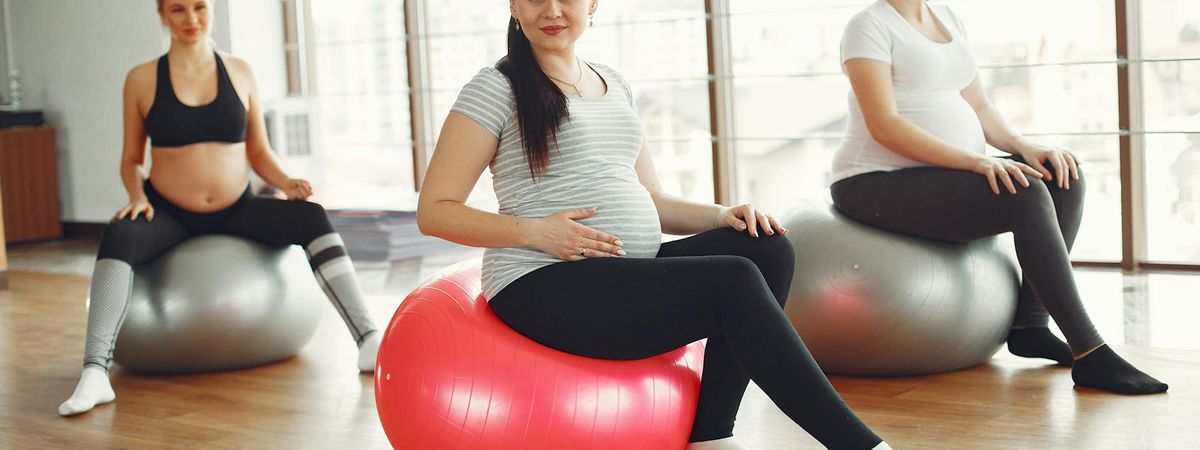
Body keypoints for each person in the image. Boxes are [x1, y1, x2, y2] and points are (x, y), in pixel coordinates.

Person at [416, 1, 894, 448]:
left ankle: (710, 432)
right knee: (734, 281)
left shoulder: (612, 82)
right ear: (514, 5)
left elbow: (651, 198)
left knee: (765, 247)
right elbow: (435, 209)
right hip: (542, 281)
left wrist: (722, 215)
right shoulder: (495, 87)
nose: (553, 10)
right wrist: (539, 232)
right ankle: (858, 445)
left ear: (593, 4)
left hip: (622, 268)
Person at [58, 0, 380, 417]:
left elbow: (259, 151)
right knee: (119, 232)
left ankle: (368, 338)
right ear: (161, 14)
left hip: (236, 208)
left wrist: (285, 182)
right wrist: (136, 195)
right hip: (168, 212)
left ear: (211, 10)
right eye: (178, 9)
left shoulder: (239, 71)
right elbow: (132, 159)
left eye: (199, 7)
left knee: (311, 216)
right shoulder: (141, 79)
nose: (190, 19)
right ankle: (95, 372)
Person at [832, 0, 1166, 394]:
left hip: (943, 170)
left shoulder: (948, 18)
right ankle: (1090, 351)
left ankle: (1030, 326)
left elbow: (979, 105)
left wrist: (1025, 147)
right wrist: (977, 162)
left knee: (1062, 177)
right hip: (874, 181)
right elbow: (884, 126)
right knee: (1024, 195)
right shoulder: (868, 26)